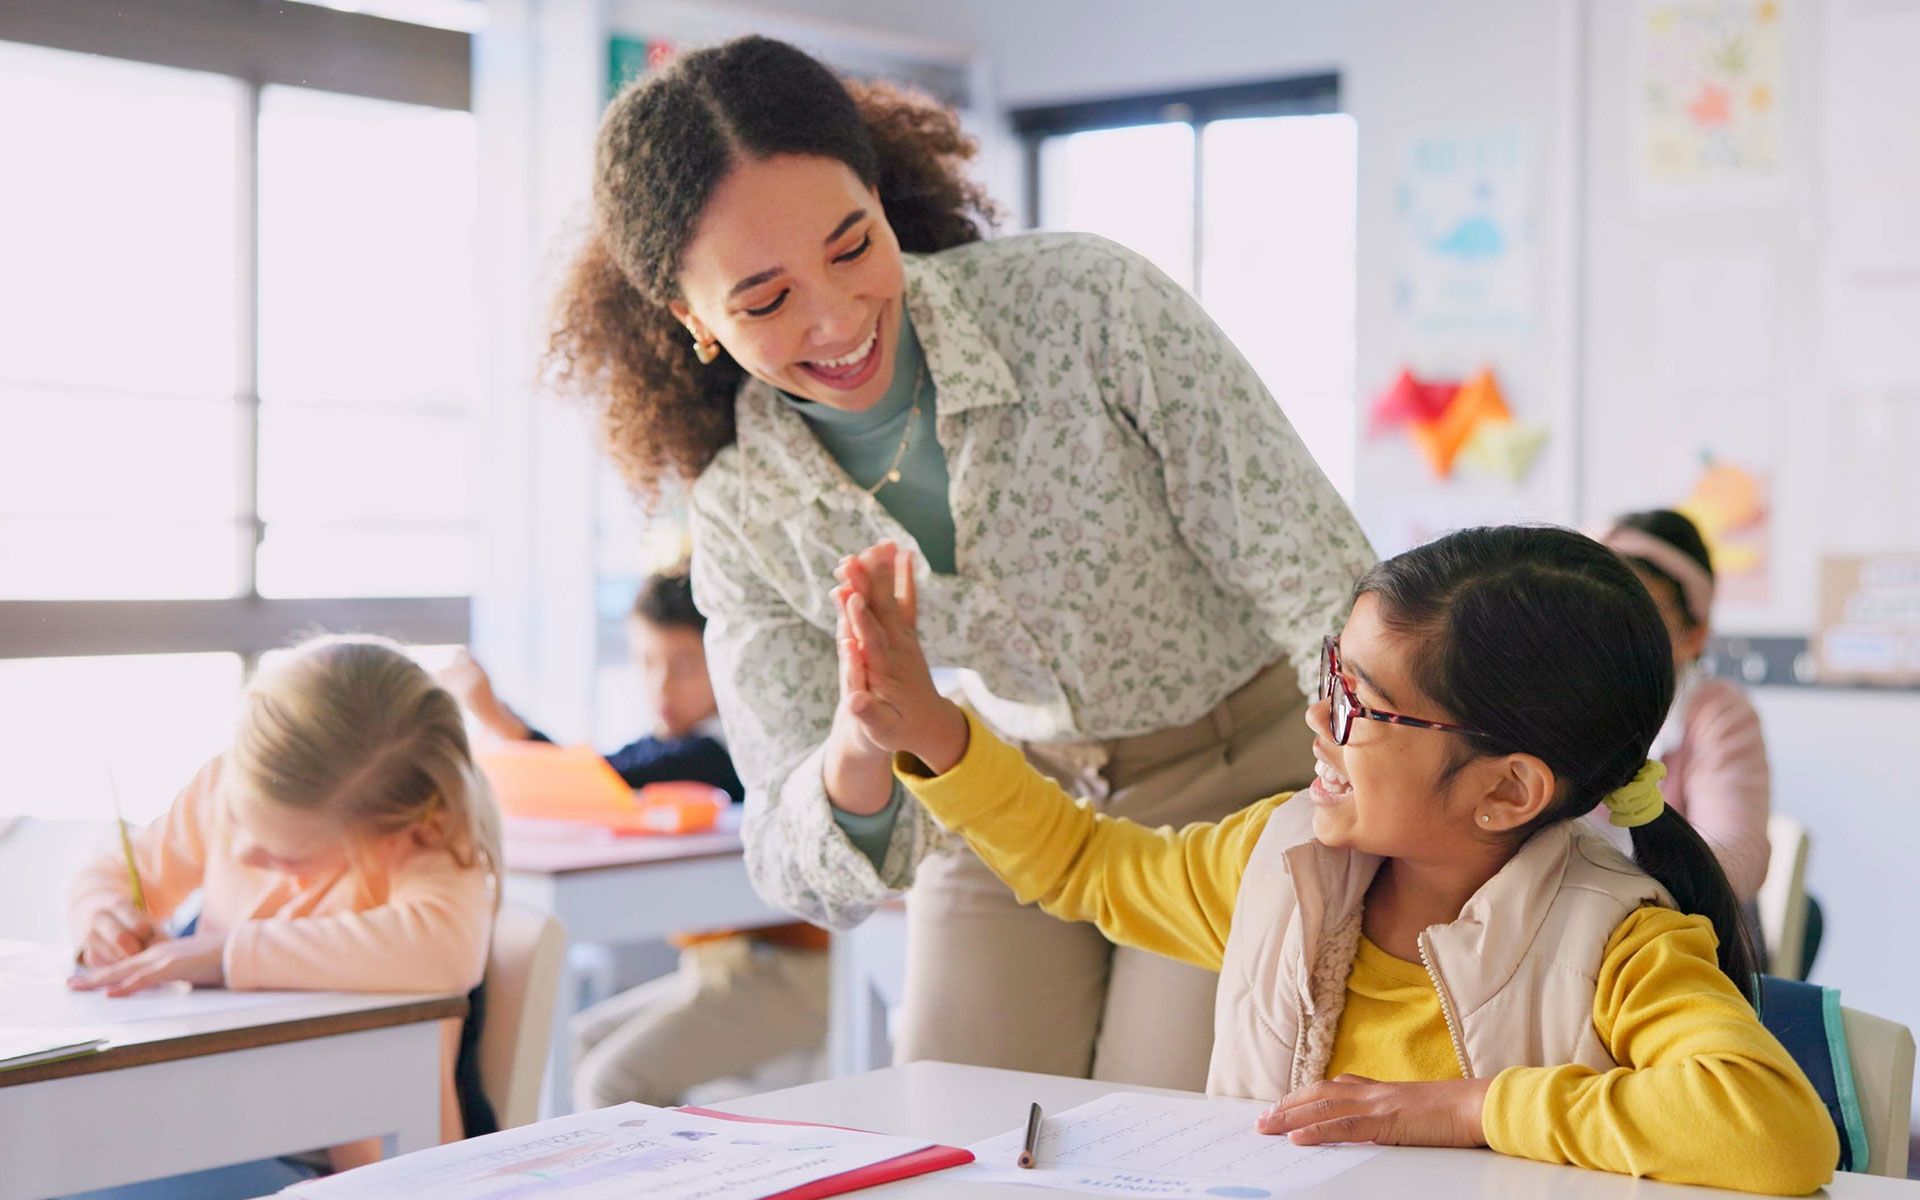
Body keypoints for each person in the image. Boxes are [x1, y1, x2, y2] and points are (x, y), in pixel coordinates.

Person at [549, 34, 1374, 1090]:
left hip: (1242, 786)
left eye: (852, 246)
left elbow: (1324, 587)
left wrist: (1369, 811)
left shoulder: (1086, 308)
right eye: (763, 300)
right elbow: (795, 859)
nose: (836, 319)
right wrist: (861, 737)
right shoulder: (744, 507)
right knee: (956, 1126)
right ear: (689, 317)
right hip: (1000, 801)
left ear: (883, 197)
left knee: (1151, 1132)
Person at [830, 527, 1835, 1195]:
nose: (1318, 718)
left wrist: (1465, 1110)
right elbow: (1085, 866)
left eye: (1359, 704)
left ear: (1507, 790)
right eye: (1326, 675)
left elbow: (1775, 1130)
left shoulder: (1616, 943)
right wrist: (935, 731)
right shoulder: (1279, 863)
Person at [67, 634, 501, 1196]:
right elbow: (121, 873)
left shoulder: (423, 846)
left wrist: (224, 956)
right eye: (238, 820)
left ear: (395, 832)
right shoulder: (226, 782)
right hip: (218, 1116)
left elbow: (447, 950)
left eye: (287, 858)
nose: (245, 853)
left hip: (352, 1164)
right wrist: (105, 914)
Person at [439, 567, 829, 1112]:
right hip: (721, 972)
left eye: (685, 667)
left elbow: (599, 784)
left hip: (788, 977)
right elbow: (608, 773)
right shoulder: (681, 742)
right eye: (647, 664)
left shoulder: (725, 754)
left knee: (609, 1082)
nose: (662, 687)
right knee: (576, 1046)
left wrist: (494, 717)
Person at [1598, 509, 1771, 902]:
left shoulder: (1716, 713)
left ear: (1694, 636)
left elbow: (1736, 852)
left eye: (1642, 617)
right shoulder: (1555, 698)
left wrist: (1629, 902)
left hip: (1682, 929)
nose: (1612, 635)